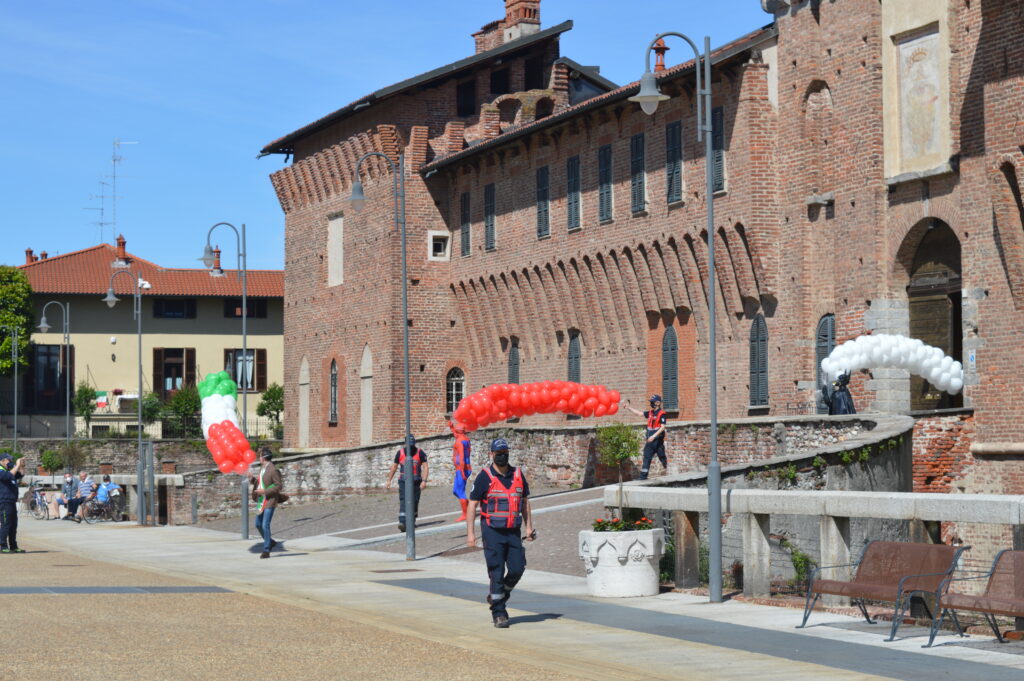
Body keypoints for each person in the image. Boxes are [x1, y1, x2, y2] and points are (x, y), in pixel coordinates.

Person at [466, 438, 535, 629]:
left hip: (513, 531)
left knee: (517, 568)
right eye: (498, 453)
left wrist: (529, 527)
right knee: (496, 572)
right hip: (492, 531)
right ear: (491, 455)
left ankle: (498, 597)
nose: (502, 456)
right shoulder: (484, 477)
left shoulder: (518, 475)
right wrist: (470, 533)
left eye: (505, 452)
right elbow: (473, 504)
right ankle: (499, 612)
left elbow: (524, 502)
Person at [385, 437, 428, 533]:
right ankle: (403, 522)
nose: (411, 448)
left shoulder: (420, 452)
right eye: (409, 445)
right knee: (404, 500)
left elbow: (425, 467)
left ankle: (412, 520)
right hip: (404, 481)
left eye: (412, 445)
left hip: (416, 481)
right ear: (405, 444)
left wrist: (424, 481)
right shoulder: (400, 453)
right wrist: (389, 480)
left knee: (415, 500)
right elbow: (394, 467)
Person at [250, 449, 286, 559]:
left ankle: (266, 550)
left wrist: (265, 492)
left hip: (270, 500)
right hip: (262, 500)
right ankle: (270, 541)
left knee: (265, 524)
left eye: (260, 456)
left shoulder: (273, 470)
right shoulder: (263, 468)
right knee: (258, 524)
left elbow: (278, 486)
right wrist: (252, 479)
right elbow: (261, 482)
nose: (259, 458)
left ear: (264, 458)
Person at [624, 394, 668, 480]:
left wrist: (654, 436)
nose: (651, 403)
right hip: (651, 440)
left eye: (653, 402)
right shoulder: (650, 413)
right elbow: (639, 414)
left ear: (658, 403)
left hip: (657, 440)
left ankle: (668, 471)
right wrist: (629, 408)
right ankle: (643, 476)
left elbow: (663, 427)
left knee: (660, 456)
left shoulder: (662, 413)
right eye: (651, 402)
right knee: (649, 456)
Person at [0, 453, 25, 553]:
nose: (10, 462)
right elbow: (8, 476)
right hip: (4, 501)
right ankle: (3, 546)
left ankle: (13, 546)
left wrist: (22, 466)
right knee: (6, 523)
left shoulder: (8, 471)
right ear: (2, 461)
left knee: (13, 524)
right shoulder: (1, 471)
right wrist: (17, 465)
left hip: (11, 501)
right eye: (9, 460)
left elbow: (21, 474)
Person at [448, 416, 472, 522]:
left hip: (462, 469)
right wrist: (451, 427)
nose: (455, 433)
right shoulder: (465, 439)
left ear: (458, 432)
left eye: (455, 431)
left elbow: (461, 457)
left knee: (460, 491)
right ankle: (468, 508)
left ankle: (465, 514)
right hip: (464, 468)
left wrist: (462, 472)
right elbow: (456, 435)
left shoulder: (459, 442)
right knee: (455, 491)